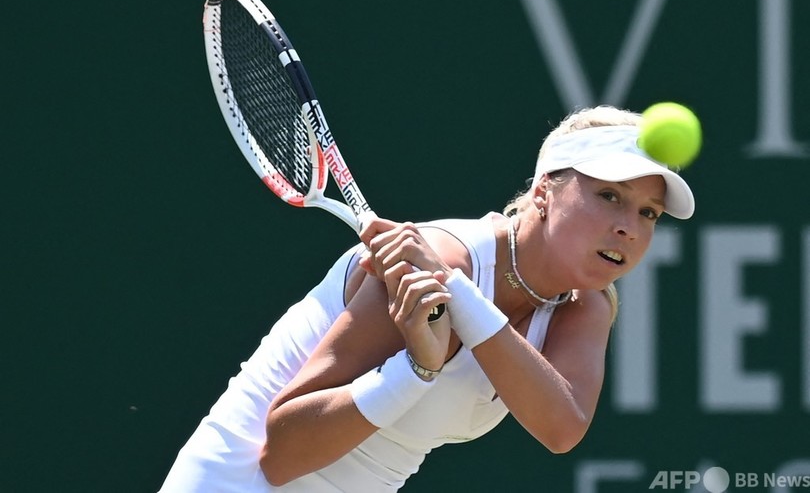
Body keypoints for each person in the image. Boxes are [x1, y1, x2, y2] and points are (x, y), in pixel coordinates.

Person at [159, 104, 696, 492]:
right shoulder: (445, 258)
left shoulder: (584, 306)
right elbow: (282, 454)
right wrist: (416, 369)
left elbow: (562, 427)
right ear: (542, 191)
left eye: (648, 213)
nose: (629, 228)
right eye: (609, 195)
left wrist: (460, 298)